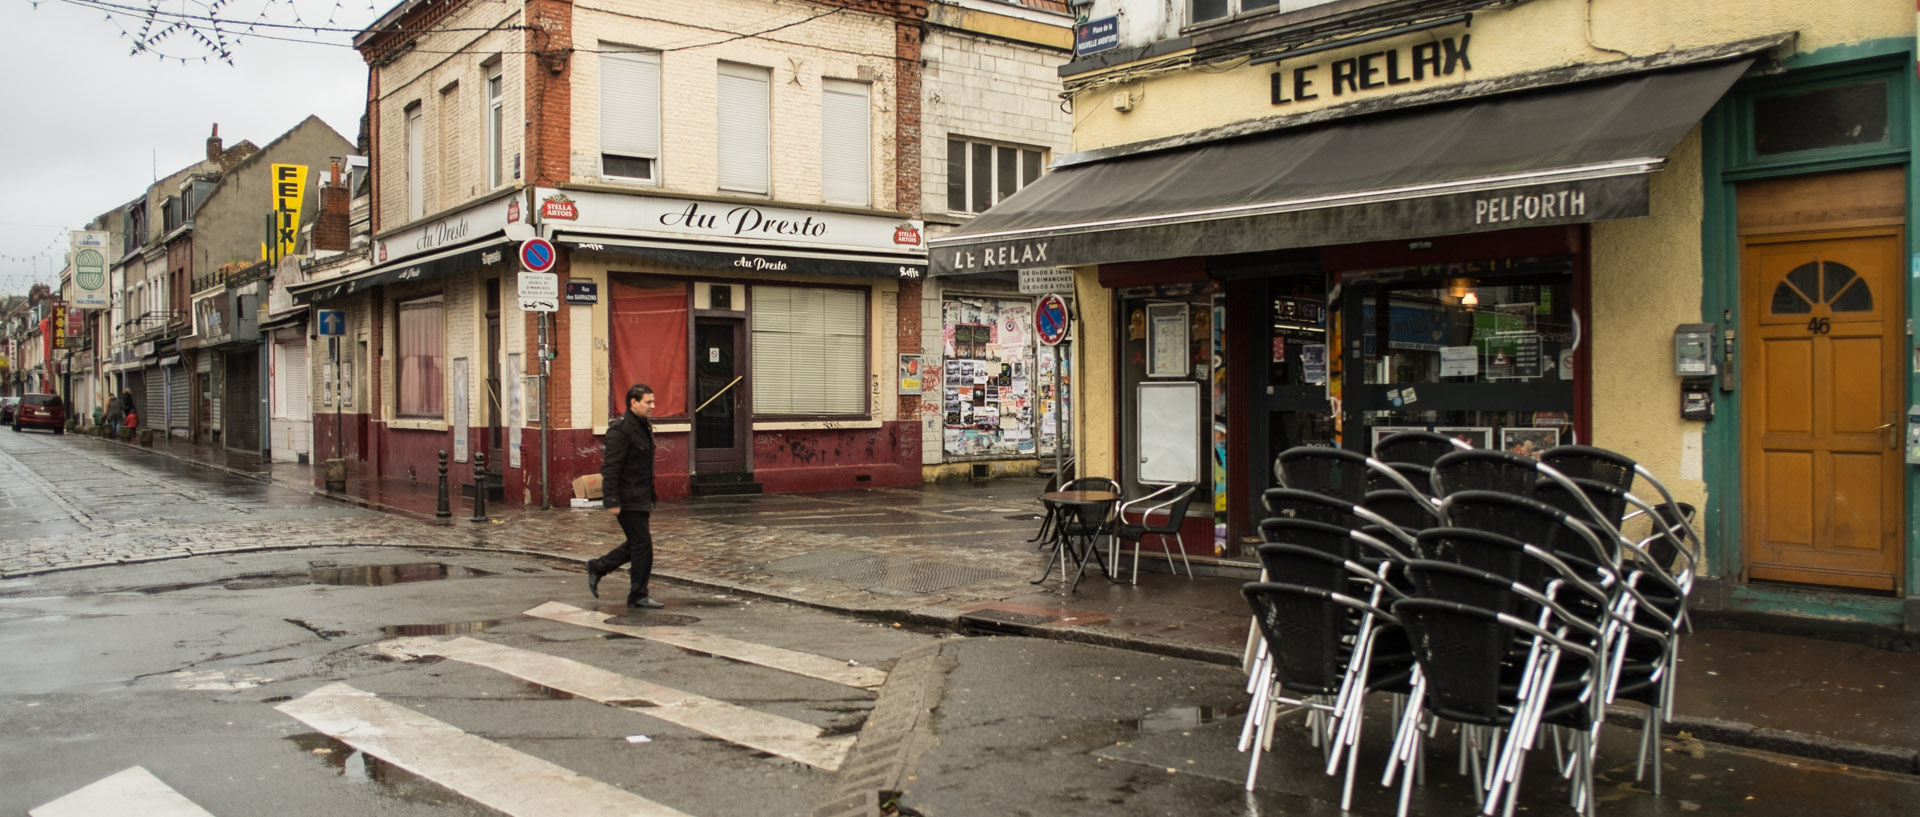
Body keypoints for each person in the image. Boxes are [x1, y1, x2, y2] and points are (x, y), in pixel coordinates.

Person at [586, 383, 665, 611]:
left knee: (637, 544)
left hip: (641, 495)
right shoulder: (620, 430)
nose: (653, 406)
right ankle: (638, 594)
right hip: (627, 496)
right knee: (643, 545)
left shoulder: (642, 426)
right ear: (633, 402)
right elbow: (610, 467)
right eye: (648, 402)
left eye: (653, 401)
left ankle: (598, 567)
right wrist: (611, 499)